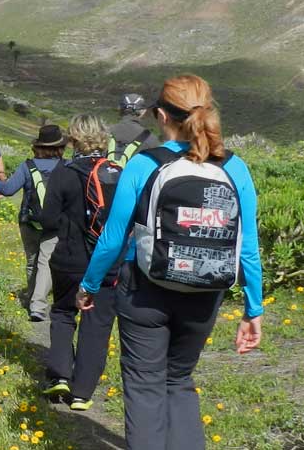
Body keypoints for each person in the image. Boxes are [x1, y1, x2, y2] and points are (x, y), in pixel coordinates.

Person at [78, 75, 263, 449]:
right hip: (205, 293)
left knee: (145, 386)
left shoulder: (145, 164)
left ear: (161, 115)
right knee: (179, 381)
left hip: (145, 291)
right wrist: (253, 308)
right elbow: (248, 247)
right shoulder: (234, 168)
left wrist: (89, 285)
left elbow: (114, 237)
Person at [31, 115, 119, 412]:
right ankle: (82, 393)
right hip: (106, 261)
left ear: (73, 140)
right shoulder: (117, 173)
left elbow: (49, 219)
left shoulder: (63, 173)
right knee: (96, 324)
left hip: (69, 258)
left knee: (63, 313)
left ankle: (60, 374)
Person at [0, 125, 65, 322]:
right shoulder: (67, 166)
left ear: (38, 146)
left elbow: (8, 189)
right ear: (59, 147)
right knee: (46, 263)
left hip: (29, 222)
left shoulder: (27, 166)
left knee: (32, 262)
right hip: (56, 224)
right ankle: (38, 305)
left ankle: (32, 299)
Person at [108, 93, 162, 167]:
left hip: (103, 177)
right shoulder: (152, 140)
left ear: (120, 109)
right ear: (143, 112)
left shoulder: (103, 134)